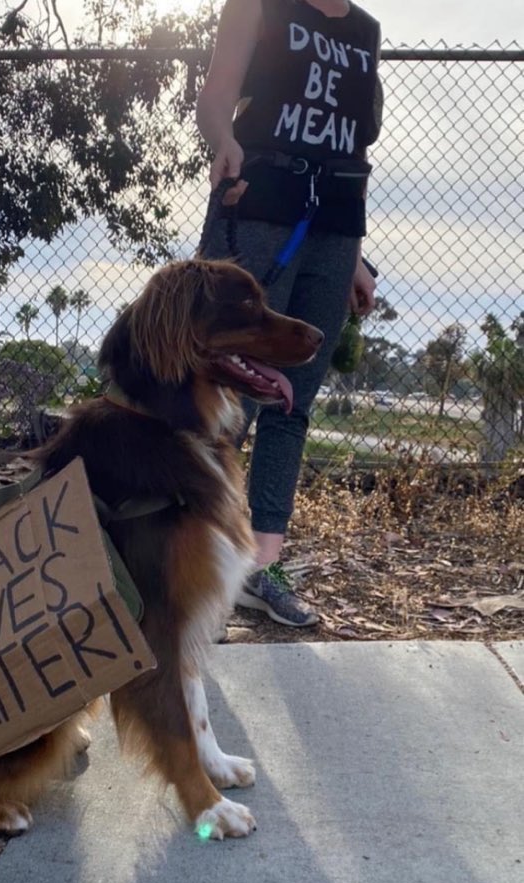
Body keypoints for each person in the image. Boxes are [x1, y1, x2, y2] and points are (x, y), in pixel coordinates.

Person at [196, 0, 382, 627]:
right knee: (223, 392)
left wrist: (354, 255)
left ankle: (261, 569)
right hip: (260, 208)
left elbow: (354, 150)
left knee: (291, 401)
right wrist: (223, 139)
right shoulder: (258, 5)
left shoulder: (365, 31)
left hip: (334, 230)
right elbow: (215, 96)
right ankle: (191, 556)